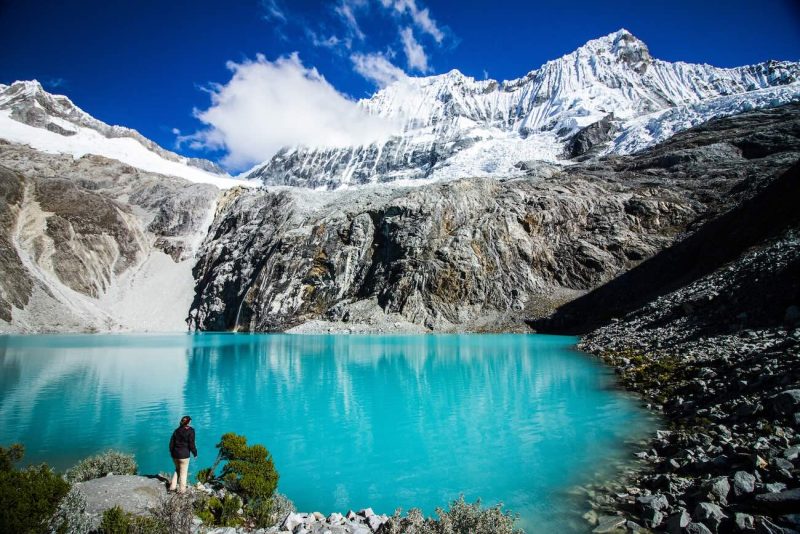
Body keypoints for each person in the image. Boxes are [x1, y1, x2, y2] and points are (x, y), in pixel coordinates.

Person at [168, 415, 197, 493]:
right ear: (189, 422)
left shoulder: (176, 430)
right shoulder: (191, 430)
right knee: (183, 473)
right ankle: (181, 491)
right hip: (184, 456)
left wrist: (171, 453)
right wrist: (195, 453)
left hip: (175, 454)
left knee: (177, 469)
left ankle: (172, 488)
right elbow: (191, 444)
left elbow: (171, 444)